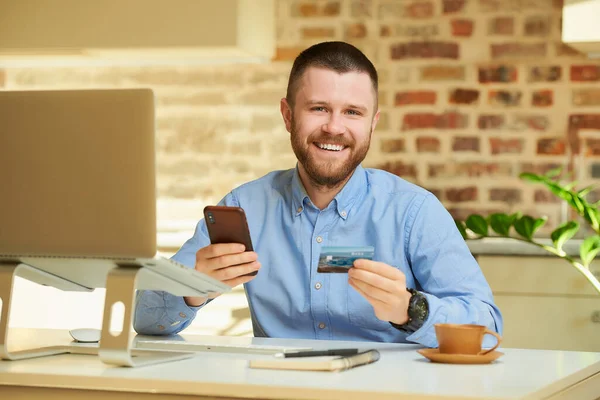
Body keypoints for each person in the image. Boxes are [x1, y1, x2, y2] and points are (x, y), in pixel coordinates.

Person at [134, 41, 503, 347]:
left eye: (353, 112)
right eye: (319, 108)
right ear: (288, 115)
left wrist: (412, 309)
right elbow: (143, 317)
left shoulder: (414, 212)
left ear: (373, 122)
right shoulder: (243, 207)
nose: (334, 127)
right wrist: (193, 289)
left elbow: (487, 330)